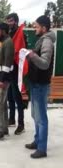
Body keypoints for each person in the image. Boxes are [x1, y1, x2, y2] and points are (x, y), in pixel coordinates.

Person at [25, 15, 55, 159]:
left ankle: (42, 148)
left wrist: (31, 55)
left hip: (41, 84)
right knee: (35, 115)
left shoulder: (47, 41)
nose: (34, 28)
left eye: (36, 26)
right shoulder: (42, 40)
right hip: (35, 82)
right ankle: (37, 141)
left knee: (41, 117)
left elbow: (44, 63)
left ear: (44, 28)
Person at [0, 23, 14, 141]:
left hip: (3, 79)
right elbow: (0, 60)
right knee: (3, 103)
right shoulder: (3, 42)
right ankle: (4, 128)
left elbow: (7, 63)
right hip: (0, 77)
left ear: (4, 31)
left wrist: (2, 79)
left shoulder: (8, 42)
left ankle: (1, 130)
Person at [6, 13, 26, 135]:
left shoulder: (21, 33)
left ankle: (21, 124)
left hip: (16, 69)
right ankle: (12, 119)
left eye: (11, 21)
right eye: (8, 21)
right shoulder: (8, 34)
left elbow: (24, 50)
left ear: (16, 21)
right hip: (8, 68)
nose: (9, 23)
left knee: (17, 97)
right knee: (9, 97)